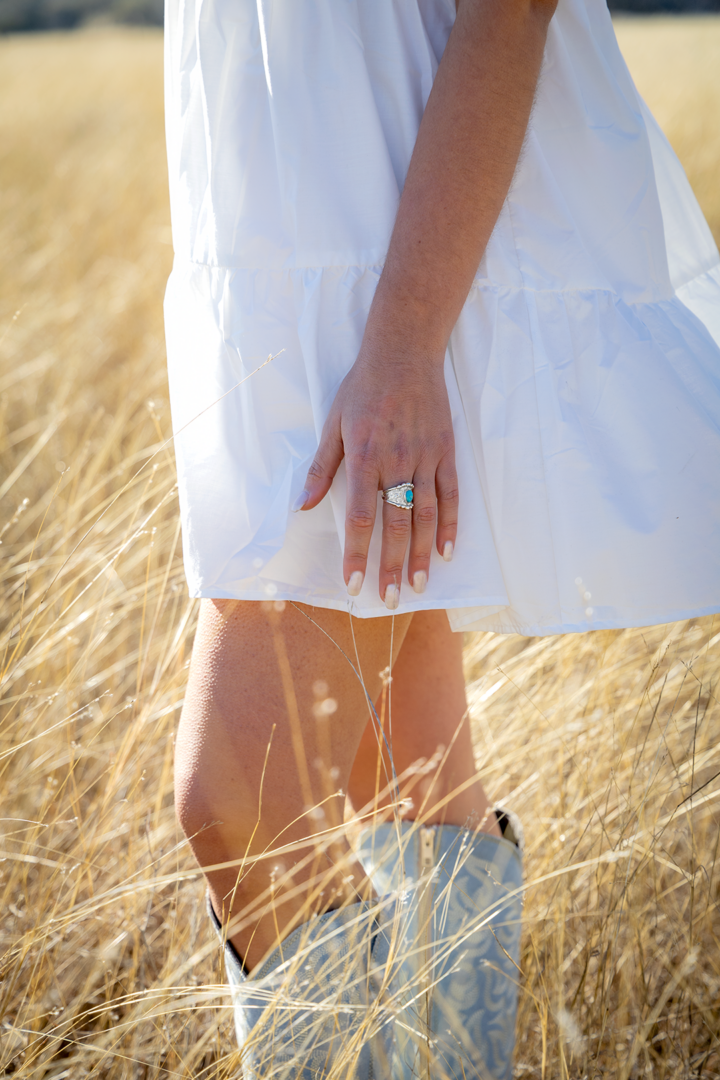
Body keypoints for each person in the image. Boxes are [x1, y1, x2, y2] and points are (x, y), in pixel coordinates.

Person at [163, 0, 720, 1076]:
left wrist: (407, 346)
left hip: (388, 276)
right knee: (400, 787)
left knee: (237, 800)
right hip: (297, 267)